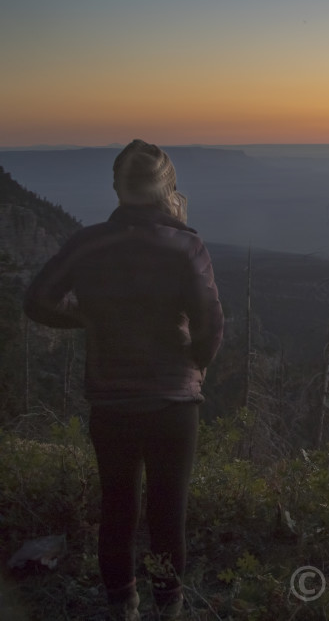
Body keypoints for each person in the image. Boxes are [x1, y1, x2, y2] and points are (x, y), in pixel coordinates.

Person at [24, 139, 224, 620]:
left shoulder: (87, 243)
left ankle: (121, 606)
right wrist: (195, 365)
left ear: (117, 187)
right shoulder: (185, 244)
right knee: (166, 513)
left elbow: (38, 301)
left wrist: (89, 318)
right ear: (166, 188)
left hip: (111, 401)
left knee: (116, 508)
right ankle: (168, 608)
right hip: (172, 403)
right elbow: (210, 326)